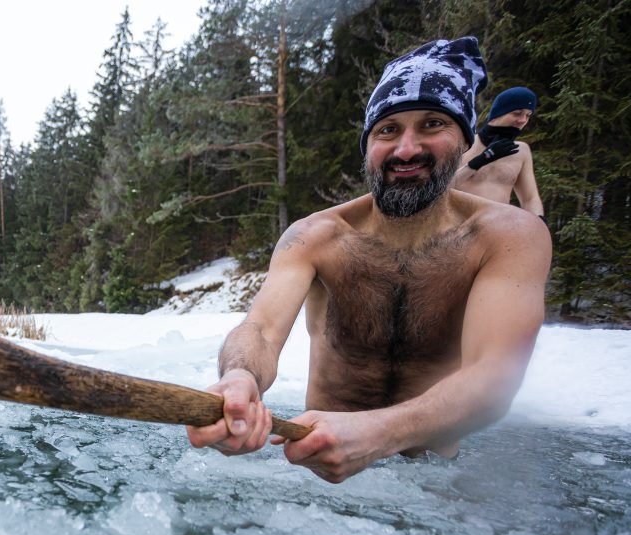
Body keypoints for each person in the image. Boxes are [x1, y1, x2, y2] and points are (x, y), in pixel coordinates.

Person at [186, 37, 552, 483]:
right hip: (319, 477)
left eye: (432, 124)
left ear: (463, 140)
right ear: (368, 144)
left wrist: (380, 432)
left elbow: (494, 377)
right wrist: (240, 378)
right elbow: (260, 329)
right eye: (388, 130)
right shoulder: (315, 235)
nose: (405, 149)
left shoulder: (508, 236)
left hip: (431, 479)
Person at [452, 86, 545, 220]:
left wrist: (540, 222)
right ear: (499, 113)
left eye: (528, 115)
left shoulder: (521, 150)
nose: (523, 120)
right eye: (517, 113)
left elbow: (529, 198)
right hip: (460, 225)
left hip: (499, 229)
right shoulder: (464, 143)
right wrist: (482, 159)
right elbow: (441, 190)